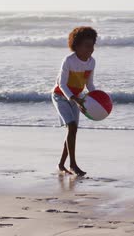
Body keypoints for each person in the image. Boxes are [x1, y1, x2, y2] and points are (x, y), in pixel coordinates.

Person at [51, 26, 97, 176]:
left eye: (92, 45)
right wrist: (75, 99)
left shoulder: (91, 62)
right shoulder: (68, 61)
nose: (91, 49)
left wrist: (98, 97)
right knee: (71, 127)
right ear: (76, 46)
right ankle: (73, 165)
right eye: (87, 46)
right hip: (60, 96)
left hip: (76, 98)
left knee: (73, 131)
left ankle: (61, 164)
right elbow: (62, 84)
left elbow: (89, 84)